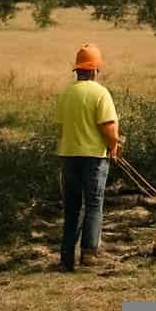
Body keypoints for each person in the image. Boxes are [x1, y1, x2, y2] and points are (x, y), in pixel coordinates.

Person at [54, 43, 119, 271]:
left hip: (68, 156)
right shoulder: (100, 93)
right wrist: (113, 147)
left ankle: (66, 259)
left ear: (78, 70)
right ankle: (89, 254)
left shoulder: (66, 93)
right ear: (94, 70)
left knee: (71, 207)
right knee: (93, 204)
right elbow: (108, 127)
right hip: (94, 158)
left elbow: (60, 130)